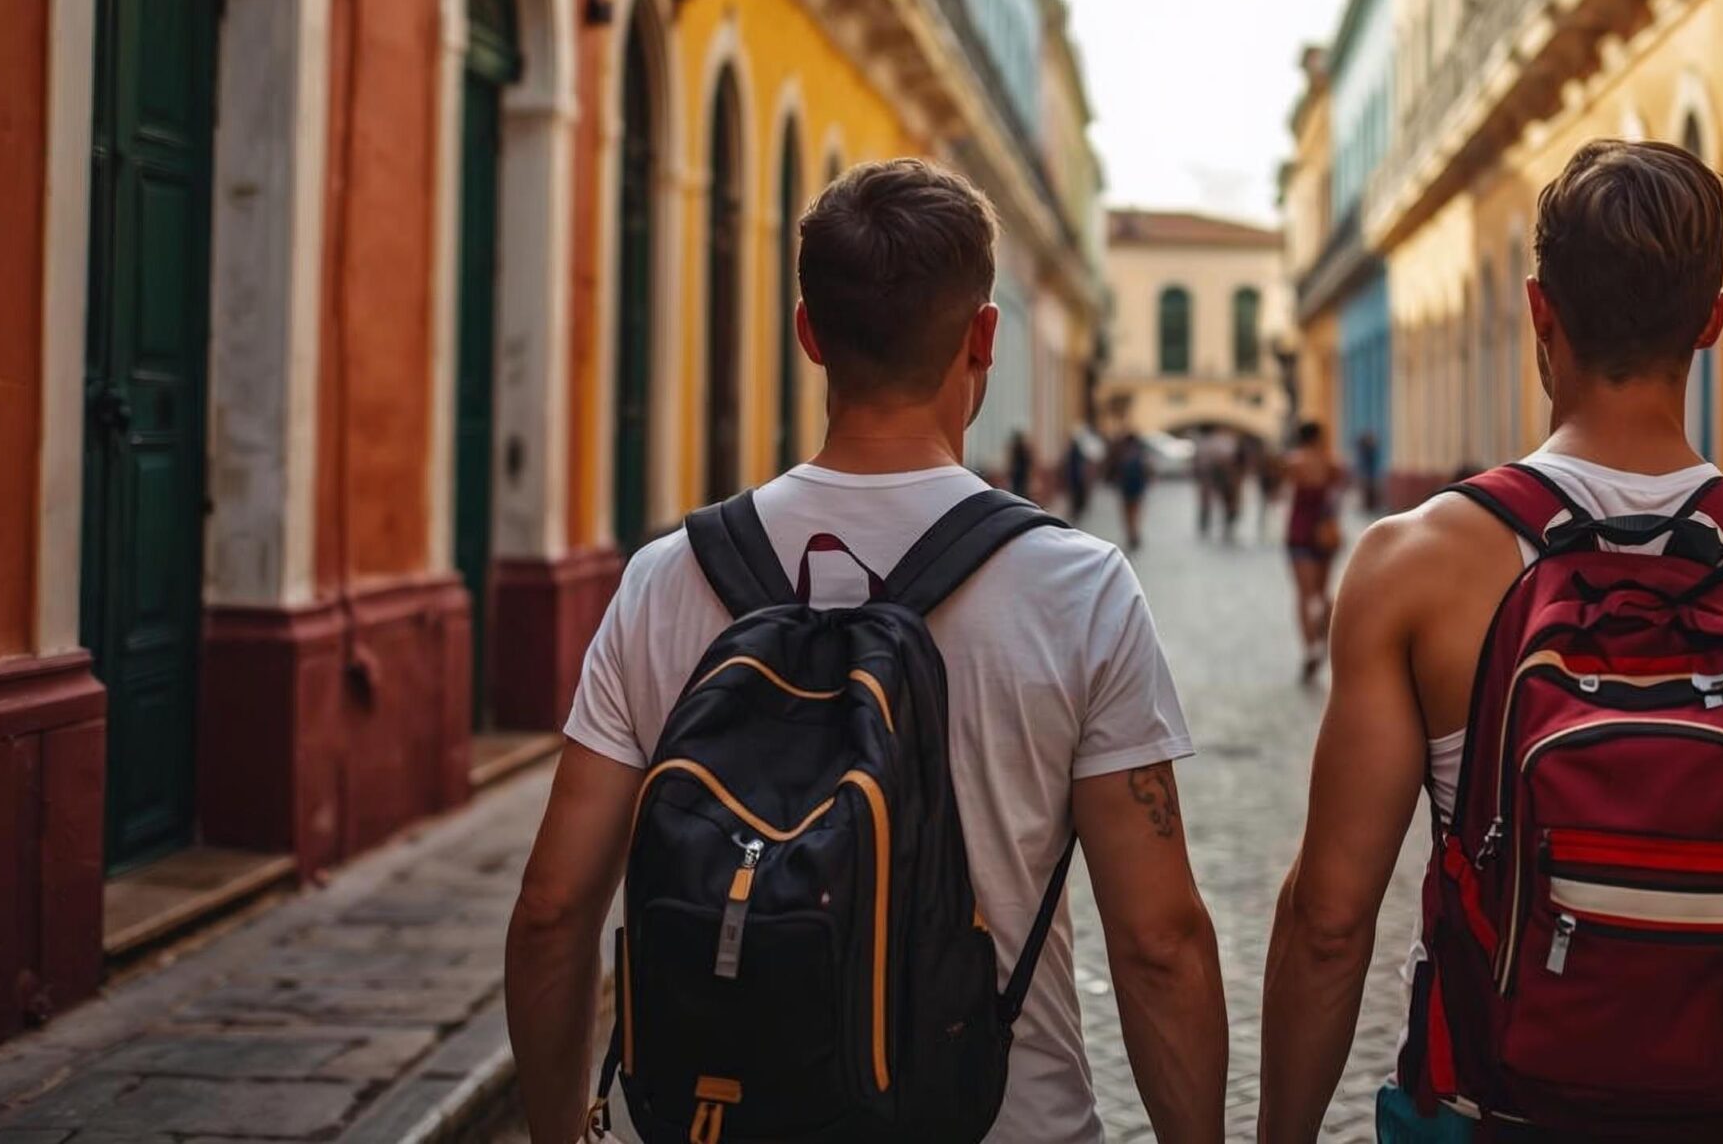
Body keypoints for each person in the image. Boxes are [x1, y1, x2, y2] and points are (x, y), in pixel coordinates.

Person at [507, 159, 1227, 1144]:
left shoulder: (665, 579)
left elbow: (553, 912)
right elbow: (1158, 943)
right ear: (984, 337)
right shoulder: (1077, 587)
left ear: (809, 334)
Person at [1258, 140, 1723, 1143]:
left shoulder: (1414, 565)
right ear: (1711, 321)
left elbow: (1327, 923)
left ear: (1541, 313)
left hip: (1487, 1116)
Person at [1280, 421, 1346, 682]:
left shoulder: (1293, 463)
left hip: (1299, 532)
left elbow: (1280, 493)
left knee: (1304, 596)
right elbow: (1338, 496)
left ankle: (1310, 649)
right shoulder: (1332, 465)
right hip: (1325, 533)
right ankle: (1325, 640)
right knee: (1323, 593)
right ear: (1318, 438)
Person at [1108, 430, 1152, 553]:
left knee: (1128, 513)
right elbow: (1147, 471)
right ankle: (1134, 533)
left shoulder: (1123, 454)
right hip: (1136, 488)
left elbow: (1116, 471)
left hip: (1127, 488)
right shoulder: (1140, 454)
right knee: (1135, 512)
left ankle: (1131, 534)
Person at [1062, 426, 1096, 519]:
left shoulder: (1076, 450)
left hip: (1076, 477)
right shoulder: (1077, 450)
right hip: (1075, 477)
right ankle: (1076, 510)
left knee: (1076, 495)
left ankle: (1076, 510)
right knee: (1075, 495)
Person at [1354, 428, 1383, 515]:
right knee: (1367, 490)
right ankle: (1368, 506)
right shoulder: (1365, 451)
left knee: (1370, 490)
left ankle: (1371, 506)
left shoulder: (1369, 450)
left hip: (1370, 473)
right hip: (1367, 473)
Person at [1007, 427, 1035, 501]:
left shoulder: (1018, 448)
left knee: (1019, 488)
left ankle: (1018, 498)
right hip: (1020, 473)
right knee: (1020, 488)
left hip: (1019, 473)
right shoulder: (1020, 448)